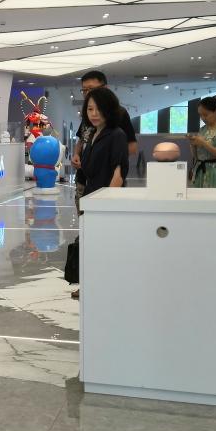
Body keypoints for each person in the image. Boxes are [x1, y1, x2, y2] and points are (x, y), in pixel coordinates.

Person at [71, 87, 128, 300]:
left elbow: (118, 174)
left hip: (105, 202)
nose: (94, 114)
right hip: (90, 198)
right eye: (90, 109)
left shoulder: (117, 135)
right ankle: (90, 284)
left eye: (99, 109)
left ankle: (105, 287)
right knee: (92, 247)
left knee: (106, 248)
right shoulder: (93, 134)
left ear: (109, 110)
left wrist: (106, 205)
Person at [70, 71, 136, 213]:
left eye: (91, 89)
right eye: (84, 90)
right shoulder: (93, 131)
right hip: (88, 189)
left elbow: (118, 173)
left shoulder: (117, 130)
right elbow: (82, 140)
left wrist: (107, 158)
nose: (94, 113)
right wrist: (77, 155)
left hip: (104, 195)